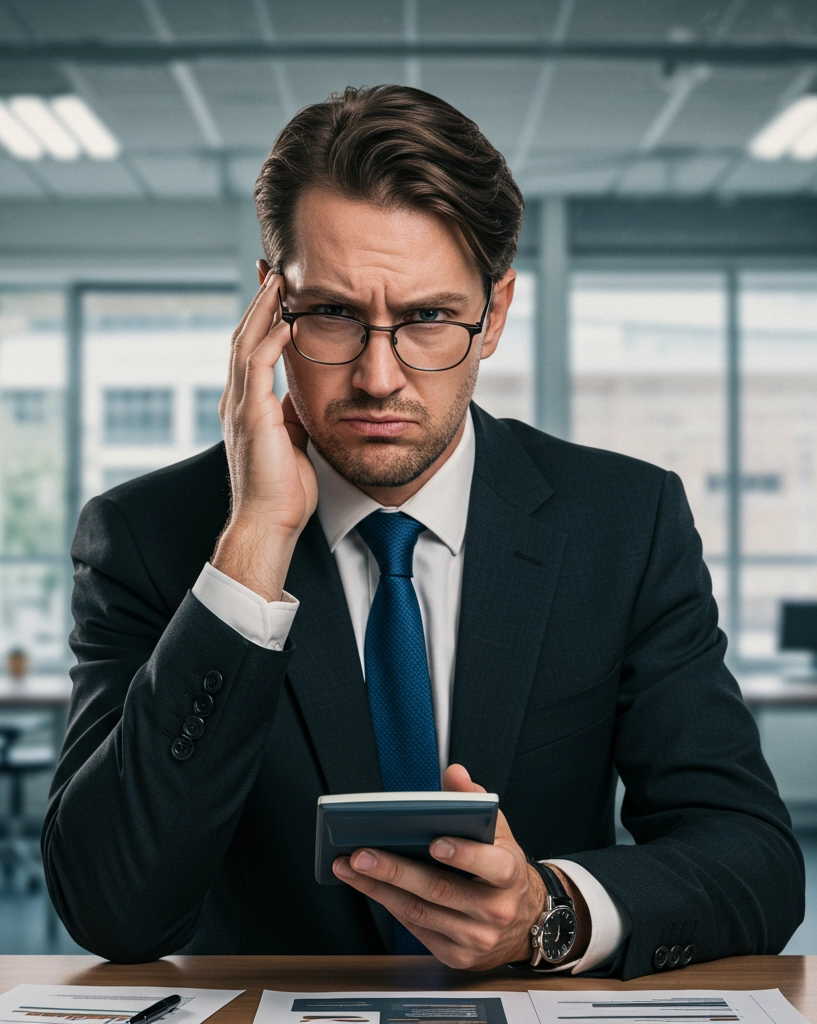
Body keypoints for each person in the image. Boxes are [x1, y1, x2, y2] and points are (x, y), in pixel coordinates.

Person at [43, 85, 804, 977]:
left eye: (430, 318)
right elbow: (112, 910)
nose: (377, 377)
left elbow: (752, 858)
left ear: (496, 315)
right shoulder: (146, 535)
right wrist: (250, 543)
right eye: (330, 312)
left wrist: (548, 912)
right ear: (268, 309)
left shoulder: (624, 522)